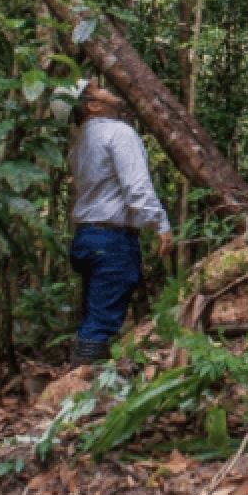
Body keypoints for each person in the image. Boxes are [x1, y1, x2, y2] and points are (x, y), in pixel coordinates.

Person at [64, 81, 174, 365]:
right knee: (101, 324)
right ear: (92, 105)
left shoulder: (79, 141)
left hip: (86, 236)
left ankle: (79, 383)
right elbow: (136, 189)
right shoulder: (118, 133)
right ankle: (76, 390)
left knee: (94, 313)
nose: (104, 87)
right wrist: (160, 224)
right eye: (96, 88)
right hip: (111, 240)